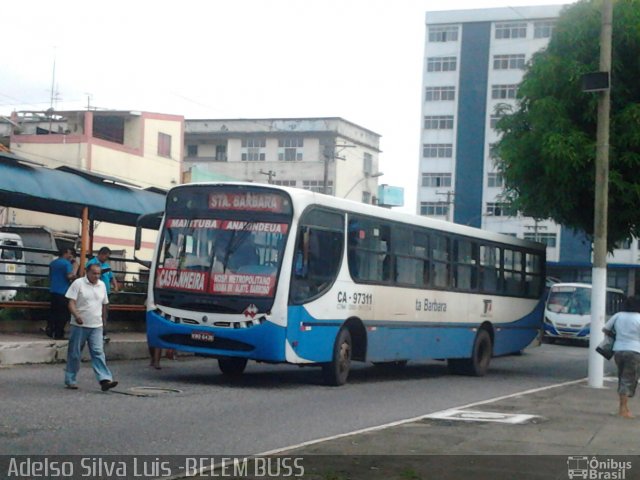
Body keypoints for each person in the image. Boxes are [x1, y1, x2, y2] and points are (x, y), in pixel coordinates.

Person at [64, 263, 118, 391]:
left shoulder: (102, 285)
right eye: (94, 273)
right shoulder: (78, 283)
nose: (96, 276)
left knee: (98, 352)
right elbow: (71, 302)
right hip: (79, 325)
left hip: (96, 325)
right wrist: (76, 315)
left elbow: (104, 304)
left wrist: (104, 320)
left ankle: (104, 379)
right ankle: (70, 378)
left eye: (98, 273)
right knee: (75, 353)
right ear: (87, 272)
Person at [603, 295, 640, 419]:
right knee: (628, 379)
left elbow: (605, 329)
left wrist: (618, 335)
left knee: (622, 377)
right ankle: (623, 410)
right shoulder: (639, 318)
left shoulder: (618, 315)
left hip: (618, 350)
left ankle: (623, 408)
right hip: (634, 351)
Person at [86, 246, 119, 343]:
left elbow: (112, 277)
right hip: (94, 292)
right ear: (101, 254)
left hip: (105, 293)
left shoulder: (106, 265)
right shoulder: (92, 263)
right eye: (106, 256)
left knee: (104, 313)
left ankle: (103, 333)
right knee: (94, 312)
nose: (106, 258)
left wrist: (115, 286)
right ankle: (93, 333)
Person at [46, 248, 79, 339]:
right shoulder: (66, 264)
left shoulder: (53, 263)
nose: (71, 256)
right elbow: (69, 276)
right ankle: (58, 333)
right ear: (66, 253)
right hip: (63, 291)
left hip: (53, 290)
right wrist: (75, 268)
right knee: (63, 314)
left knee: (54, 312)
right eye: (70, 254)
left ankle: (50, 328)